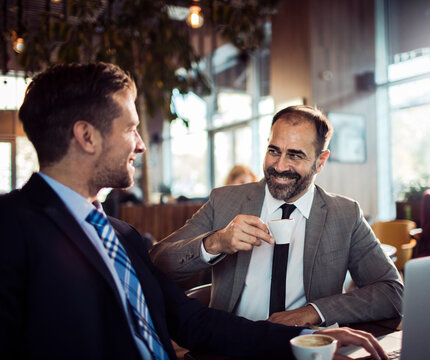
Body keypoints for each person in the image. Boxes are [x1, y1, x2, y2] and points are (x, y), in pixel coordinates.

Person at [0, 63, 389, 360]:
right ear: (86, 137)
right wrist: (215, 241)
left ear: (320, 162)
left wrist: (307, 338)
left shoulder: (122, 235)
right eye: (131, 128)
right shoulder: (10, 229)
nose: (141, 145)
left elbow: (191, 321)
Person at [150, 105, 403, 327]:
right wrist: (215, 242)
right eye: (274, 151)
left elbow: (392, 292)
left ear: (320, 161)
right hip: (232, 346)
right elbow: (157, 263)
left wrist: (313, 312)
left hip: (307, 348)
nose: (280, 166)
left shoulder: (345, 214)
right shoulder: (224, 201)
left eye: (295, 155)